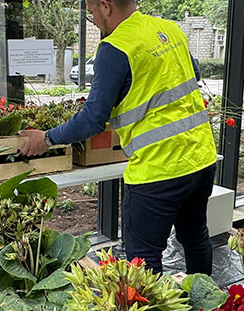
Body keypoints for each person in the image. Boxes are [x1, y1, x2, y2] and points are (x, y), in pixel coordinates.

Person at [17, 0, 217, 275]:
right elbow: (187, 78)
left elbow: (93, 119)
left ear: (106, 5)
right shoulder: (169, 29)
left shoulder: (115, 47)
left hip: (158, 170)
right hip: (201, 159)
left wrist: (47, 138)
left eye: (92, 13)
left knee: (142, 260)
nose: (95, 21)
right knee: (195, 237)